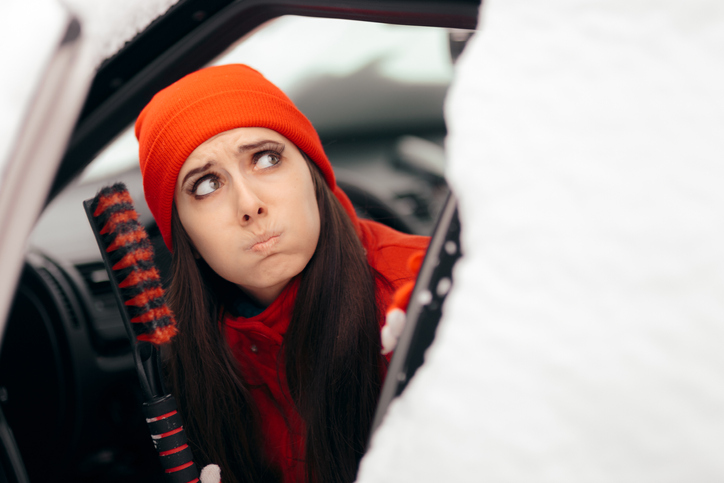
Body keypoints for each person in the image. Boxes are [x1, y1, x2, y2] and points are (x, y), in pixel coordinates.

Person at [134, 64, 430, 483]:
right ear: (186, 239)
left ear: (312, 174)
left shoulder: (421, 301)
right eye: (205, 185)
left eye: (266, 158)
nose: (249, 204)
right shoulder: (190, 356)